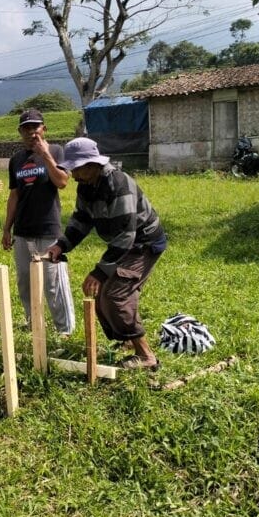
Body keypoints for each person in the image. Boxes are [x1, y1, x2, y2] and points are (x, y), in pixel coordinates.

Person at [46, 137, 167, 370]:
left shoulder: (118, 185)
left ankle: (146, 356)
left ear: (92, 164)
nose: (73, 174)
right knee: (103, 295)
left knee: (116, 295)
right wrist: (62, 245)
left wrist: (100, 272)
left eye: (76, 168)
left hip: (143, 244)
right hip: (125, 243)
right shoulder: (86, 185)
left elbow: (126, 235)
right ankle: (128, 342)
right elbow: (81, 220)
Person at [2, 109, 75, 337]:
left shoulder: (56, 151)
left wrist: (46, 155)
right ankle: (34, 323)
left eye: (35, 127)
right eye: (26, 128)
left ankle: (64, 331)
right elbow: (14, 195)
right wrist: (7, 228)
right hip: (23, 230)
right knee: (25, 281)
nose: (31, 132)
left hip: (48, 229)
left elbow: (62, 182)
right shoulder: (16, 160)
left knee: (53, 283)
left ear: (44, 129)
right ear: (20, 132)